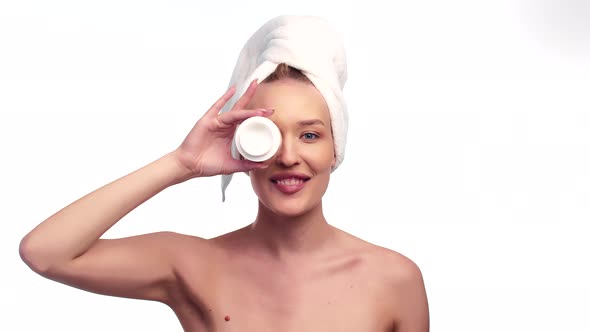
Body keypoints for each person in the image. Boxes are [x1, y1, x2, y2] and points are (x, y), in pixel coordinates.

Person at [19, 15, 429, 332]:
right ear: (243, 143)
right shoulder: (193, 264)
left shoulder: (394, 278)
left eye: (309, 134)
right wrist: (180, 164)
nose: (288, 156)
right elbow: (45, 253)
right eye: (267, 134)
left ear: (335, 147)